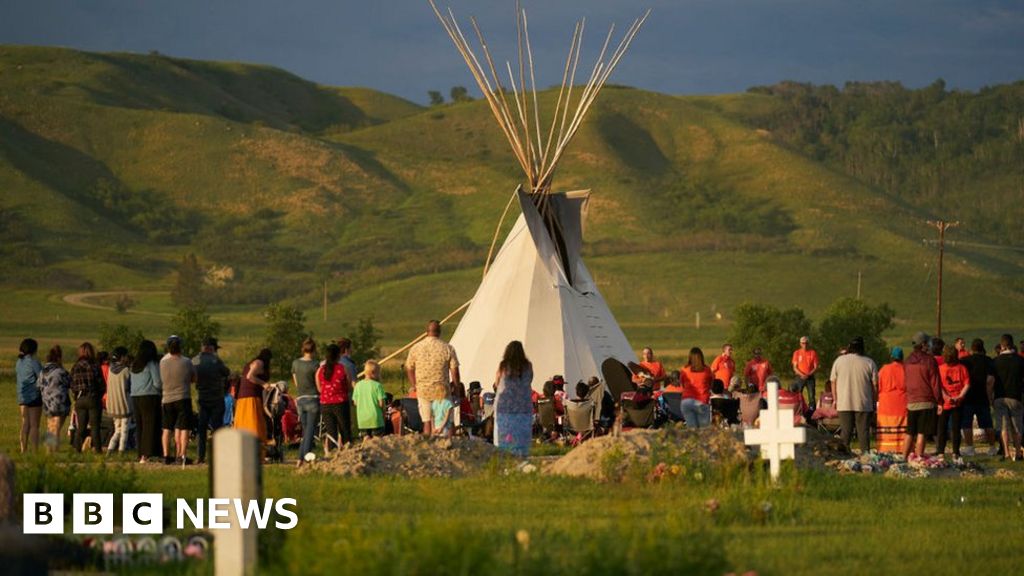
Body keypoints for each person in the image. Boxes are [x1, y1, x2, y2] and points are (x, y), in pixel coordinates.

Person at [406, 320, 460, 436]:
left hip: (423, 390)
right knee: (447, 422)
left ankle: (429, 447)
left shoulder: (416, 348)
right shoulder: (448, 348)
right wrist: (456, 387)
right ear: (439, 332)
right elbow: (454, 371)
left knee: (427, 422)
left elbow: (409, 368)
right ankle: (450, 446)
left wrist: (414, 385)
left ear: (426, 332)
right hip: (442, 391)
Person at [830, 336, 878, 453]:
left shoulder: (839, 361)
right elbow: (875, 385)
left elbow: (833, 382)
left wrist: (835, 400)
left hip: (844, 403)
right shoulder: (869, 362)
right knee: (863, 432)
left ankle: (842, 455)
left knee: (846, 432)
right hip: (863, 403)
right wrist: (874, 401)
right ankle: (865, 455)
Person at [902, 332, 942, 461]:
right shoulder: (930, 361)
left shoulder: (907, 360)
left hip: (911, 401)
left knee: (909, 432)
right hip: (926, 400)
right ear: (923, 344)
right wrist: (939, 401)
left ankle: (903, 458)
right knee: (921, 433)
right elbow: (935, 383)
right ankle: (919, 458)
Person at [193, 337, 230, 464]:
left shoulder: (194, 360)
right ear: (211, 348)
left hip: (202, 398)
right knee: (217, 429)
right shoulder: (216, 360)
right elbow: (226, 372)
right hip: (217, 398)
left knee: (201, 428)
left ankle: (200, 456)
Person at [160, 335, 196, 465]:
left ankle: (166, 455)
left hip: (167, 398)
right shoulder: (186, 362)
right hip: (183, 397)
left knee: (167, 428)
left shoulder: (162, 361)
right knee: (183, 428)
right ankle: (181, 455)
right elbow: (193, 379)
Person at [493, 340, 534, 456]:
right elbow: (529, 380)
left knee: (503, 436)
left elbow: (496, 383)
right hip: (523, 406)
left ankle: (504, 456)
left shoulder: (503, 366)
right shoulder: (528, 366)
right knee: (521, 436)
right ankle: (521, 456)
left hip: (504, 406)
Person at [960, 339, 997, 457]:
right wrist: (990, 397)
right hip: (982, 396)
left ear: (972, 348)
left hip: (968, 396)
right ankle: (992, 447)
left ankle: (970, 447)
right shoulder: (989, 361)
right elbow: (990, 381)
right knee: (987, 424)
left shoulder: (964, 361)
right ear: (982, 348)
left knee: (967, 423)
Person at [992, 334, 1024, 461]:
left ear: (1002, 346)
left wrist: (990, 397)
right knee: (1017, 427)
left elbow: (990, 381)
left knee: (1003, 427)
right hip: (1016, 397)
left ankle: (1006, 453)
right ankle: (1018, 452)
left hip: (1000, 397)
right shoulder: (1020, 360)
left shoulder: (995, 361)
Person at [130, 340, 163, 463]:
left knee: (140, 426)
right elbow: (157, 382)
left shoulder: (134, 364)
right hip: (149, 396)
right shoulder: (151, 363)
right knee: (150, 425)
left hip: (135, 397)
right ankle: (147, 453)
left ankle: (140, 453)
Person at [936, 344, 970, 461]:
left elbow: (939, 386)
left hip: (945, 402)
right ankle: (955, 452)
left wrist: (945, 397)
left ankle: (940, 452)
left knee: (942, 428)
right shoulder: (962, 368)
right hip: (958, 402)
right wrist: (960, 396)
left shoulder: (940, 368)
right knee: (956, 428)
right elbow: (967, 384)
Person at [71, 342, 105, 453]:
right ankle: (98, 451)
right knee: (95, 427)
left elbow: (72, 384)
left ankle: (76, 450)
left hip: (80, 399)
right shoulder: (94, 365)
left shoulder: (75, 366)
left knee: (81, 427)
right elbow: (101, 384)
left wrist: (76, 395)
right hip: (93, 397)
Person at [235, 349, 272, 454]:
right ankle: (255, 452)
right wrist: (263, 383)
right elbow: (249, 376)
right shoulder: (259, 362)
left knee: (244, 423)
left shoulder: (253, 362)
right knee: (254, 424)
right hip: (250, 398)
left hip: (243, 398)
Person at [317, 344, 352, 452]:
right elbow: (349, 386)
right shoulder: (343, 369)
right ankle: (347, 451)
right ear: (338, 355)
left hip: (325, 404)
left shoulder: (320, 370)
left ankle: (332, 452)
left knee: (331, 431)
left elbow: (319, 389)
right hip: (341, 403)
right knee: (345, 429)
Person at [291, 338, 321, 462]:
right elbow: (318, 384)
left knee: (305, 431)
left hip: (300, 400)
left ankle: (300, 458)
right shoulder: (315, 364)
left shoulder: (295, 363)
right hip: (313, 398)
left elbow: (296, 383)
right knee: (310, 431)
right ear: (314, 349)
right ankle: (304, 457)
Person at [39, 345, 71, 452]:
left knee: (50, 426)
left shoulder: (42, 371)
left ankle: (49, 449)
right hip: (59, 402)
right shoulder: (61, 371)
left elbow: (38, 385)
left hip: (47, 403)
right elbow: (69, 382)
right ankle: (55, 450)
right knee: (56, 426)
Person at [875, 347, 907, 453]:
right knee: (902, 429)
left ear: (891, 357)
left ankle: (885, 449)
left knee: (886, 429)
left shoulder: (884, 369)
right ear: (902, 358)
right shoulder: (905, 369)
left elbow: (877, 385)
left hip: (886, 404)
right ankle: (902, 448)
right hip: (902, 404)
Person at [16, 338, 43, 453]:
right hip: (34, 396)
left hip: (22, 397)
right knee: (34, 425)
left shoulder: (19, 363)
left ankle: (23, 449)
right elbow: (42, 378)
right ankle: (35, 450)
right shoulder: (34, 362)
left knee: (25, 423)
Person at [105, 347, 133, 454]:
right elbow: (129, 387)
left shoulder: (110, 370)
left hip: (113, 404)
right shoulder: (126, 371)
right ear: (122, 357)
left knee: (118, 429)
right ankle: (121, 450)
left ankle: (110, 449)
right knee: (124, 430)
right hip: (124, 403)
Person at [680, 347, 713, 428]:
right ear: (701, 357)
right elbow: (711, 385)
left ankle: (692, 440)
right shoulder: (707, 370)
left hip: (686, 401)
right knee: (704, 430)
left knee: (692, 430)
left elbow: (682, 385)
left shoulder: (684, 369)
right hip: (701, 401)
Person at [353, 360, 386, 438]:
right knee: (377, 440)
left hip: (362, 420)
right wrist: (383, 413)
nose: (379, 375)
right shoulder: (378, 386)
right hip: (376, 420)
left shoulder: (358, 385)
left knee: (366, 439)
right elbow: (381, 404)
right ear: (373, 372)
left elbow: (355, 402)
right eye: (378, 373)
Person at [791, 336, 820, 406]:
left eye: (806, 343)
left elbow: (816, 367)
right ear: (800, 344)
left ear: (809, 343)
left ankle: (811, 413)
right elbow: (795, 367)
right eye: (803, 343)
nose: (805, 345)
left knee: (811, 396)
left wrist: (808, 374)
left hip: (810, 377)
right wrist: (802, 375)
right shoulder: (797, 353)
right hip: (800, 377)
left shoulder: (812, 353)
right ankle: (799, 411)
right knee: (797, 396)